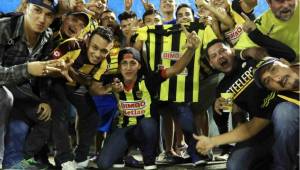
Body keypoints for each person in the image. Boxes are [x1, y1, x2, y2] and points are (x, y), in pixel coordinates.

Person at [96, 25, 201, 170]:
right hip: (124, 130)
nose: (128, 67)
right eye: (124, 63)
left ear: (139, 66)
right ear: (119, 67)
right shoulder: (113, 81)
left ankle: (149, 159)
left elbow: (176, 69)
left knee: (147, 123)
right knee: (103, 163)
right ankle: (121, 155)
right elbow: (93, 88)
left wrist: (191, 49)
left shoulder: (149, 81)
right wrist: (109, 89)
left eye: (133, 63)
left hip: (145, 131)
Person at [194, 39, 298, 170]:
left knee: (284, 112)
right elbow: (227, 115)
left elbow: (265, 55)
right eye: (214, 56)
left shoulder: (251, 59)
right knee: (235, 165)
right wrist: (218, 108)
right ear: (212, 64)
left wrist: (243, 52)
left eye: (222, 51)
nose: (220, 56)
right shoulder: (223, 88)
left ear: (232, 50)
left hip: (286, 114)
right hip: (260, 128)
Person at [49, 26, 114, 169]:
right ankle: (64, 157)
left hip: (75, 87)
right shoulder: (71, 45)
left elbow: (92, 87)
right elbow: (47, 67)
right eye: (95, 47)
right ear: (87, 40)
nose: (97, 54)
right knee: (61, 110)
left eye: (103, 51)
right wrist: (62, 70)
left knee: (92, 115)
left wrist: (110, 88)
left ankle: (81, 156)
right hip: (53, 83)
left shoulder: (106, 61)